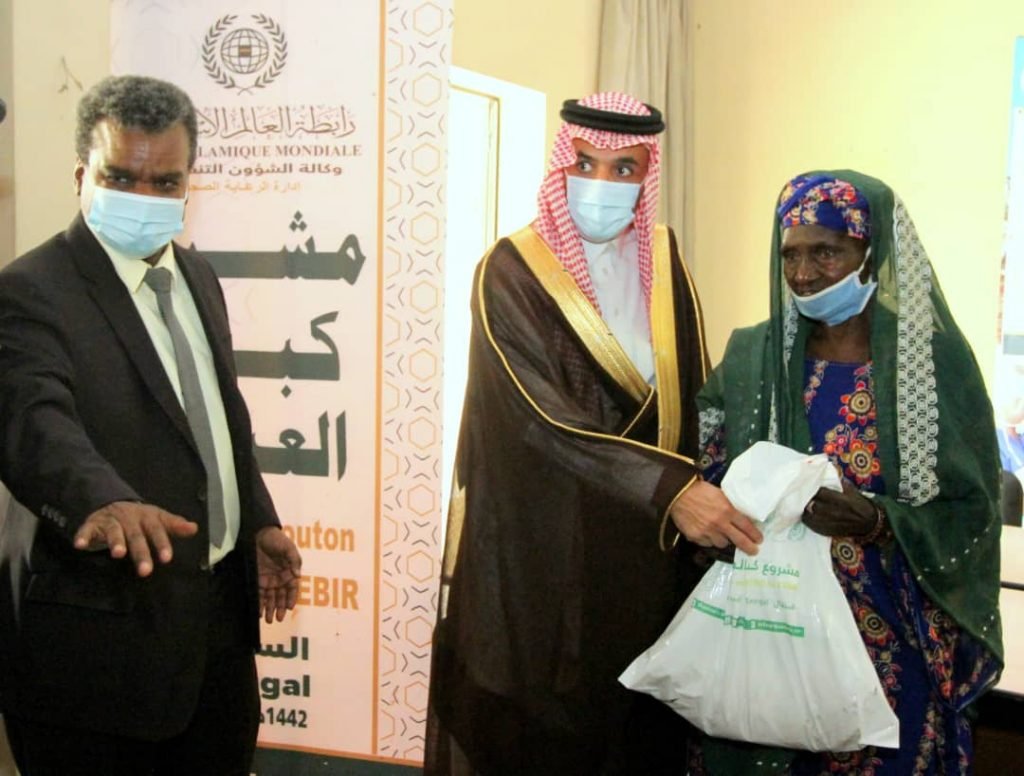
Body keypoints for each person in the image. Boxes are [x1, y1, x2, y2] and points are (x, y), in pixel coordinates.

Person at [424, 92, 762, 776]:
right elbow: (540, 420)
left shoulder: (664, 260)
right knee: (554, 736)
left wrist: (727, 486)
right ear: (562, 165)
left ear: (647, 175)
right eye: (585, 163)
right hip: (552, 549)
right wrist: (671, 489)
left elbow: (691, 391)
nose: (601, 183)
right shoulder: (510, 269)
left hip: (649, 550)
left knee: (640, 732)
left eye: (623, 169)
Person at [0, 75, 302, 775]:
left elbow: (218, 420)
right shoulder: (29, 291)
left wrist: (255, 523)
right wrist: (100, 498)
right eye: (119, 177)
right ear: (81, 176)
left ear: (190, 184)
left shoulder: (198, 278)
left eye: (165, 182)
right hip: (93, 656)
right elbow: (32, 421)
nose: (143, 197)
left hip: (215, 638)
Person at [695, 171, 1003, 774]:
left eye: (826, 252)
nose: (804, 274)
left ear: (871, 252)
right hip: (771, 634)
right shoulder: (753, 356)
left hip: (890, 650)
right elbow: (709, 468)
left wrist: (879, 522)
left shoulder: (931, 364)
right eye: (791, 254)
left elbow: (973, 514)